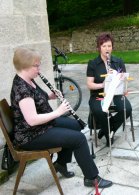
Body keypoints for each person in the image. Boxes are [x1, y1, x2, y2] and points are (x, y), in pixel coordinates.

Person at [10, 47, 112, 188]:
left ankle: (61, 164)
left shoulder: (29, 79)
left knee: (75, 126)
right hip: (31, 135)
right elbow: (32, 120)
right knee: (78, 139)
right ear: (25, 66)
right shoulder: (21, 89)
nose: (39, 69)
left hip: (42, 126)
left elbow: (38, 98)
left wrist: (50, 96)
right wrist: (58, 112)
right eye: (36, 65)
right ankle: (92, 178)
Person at [86, 33, 132, 146]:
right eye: (104, 46)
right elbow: (90, 85)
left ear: (112, 47)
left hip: (116, 94)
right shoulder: (93, 64)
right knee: (100, 111)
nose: (107, 49)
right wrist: (103, 84)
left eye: (109, 46)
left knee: (127, 109)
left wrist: (123, 86)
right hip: (99, 94)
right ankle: (108, 135)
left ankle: (108, 129)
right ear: (99, 48)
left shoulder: (118, 61)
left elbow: (124, 79)